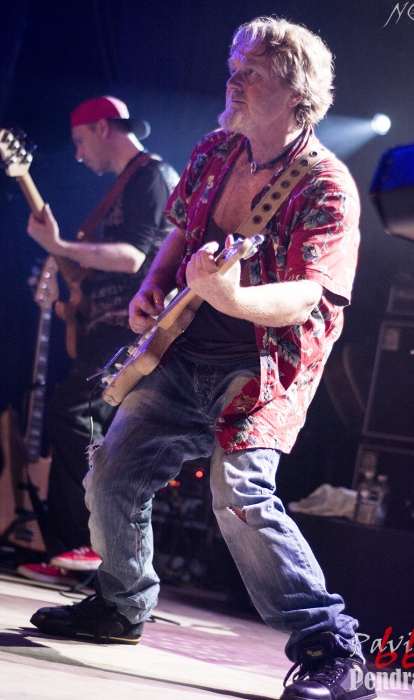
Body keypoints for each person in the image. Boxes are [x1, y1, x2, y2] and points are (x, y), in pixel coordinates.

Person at [30, 19, 374, 700]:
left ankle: (334, 648)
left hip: (263, 368)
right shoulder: (216, 150)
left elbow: (309, 296)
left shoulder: (326, 186)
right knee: (112, 472)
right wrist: (153, 288)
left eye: (252, 72)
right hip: (183, 352)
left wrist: (233, 297)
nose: (233, 82)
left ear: (297, 94)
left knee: (239, 495)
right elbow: (181, 233)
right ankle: (121, 606)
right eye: (233, 68)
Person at [18, 96, 178, 587]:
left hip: (131, 327)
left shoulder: (151, 175)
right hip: (106, 327)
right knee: (73, 418)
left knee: (74, 414)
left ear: (103, 128)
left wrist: (59, 245)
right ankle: (70, 553)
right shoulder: (128, 183)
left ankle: (93, 545)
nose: (78, 154)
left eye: (80, 140)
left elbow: (133, 258)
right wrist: (74, 300)